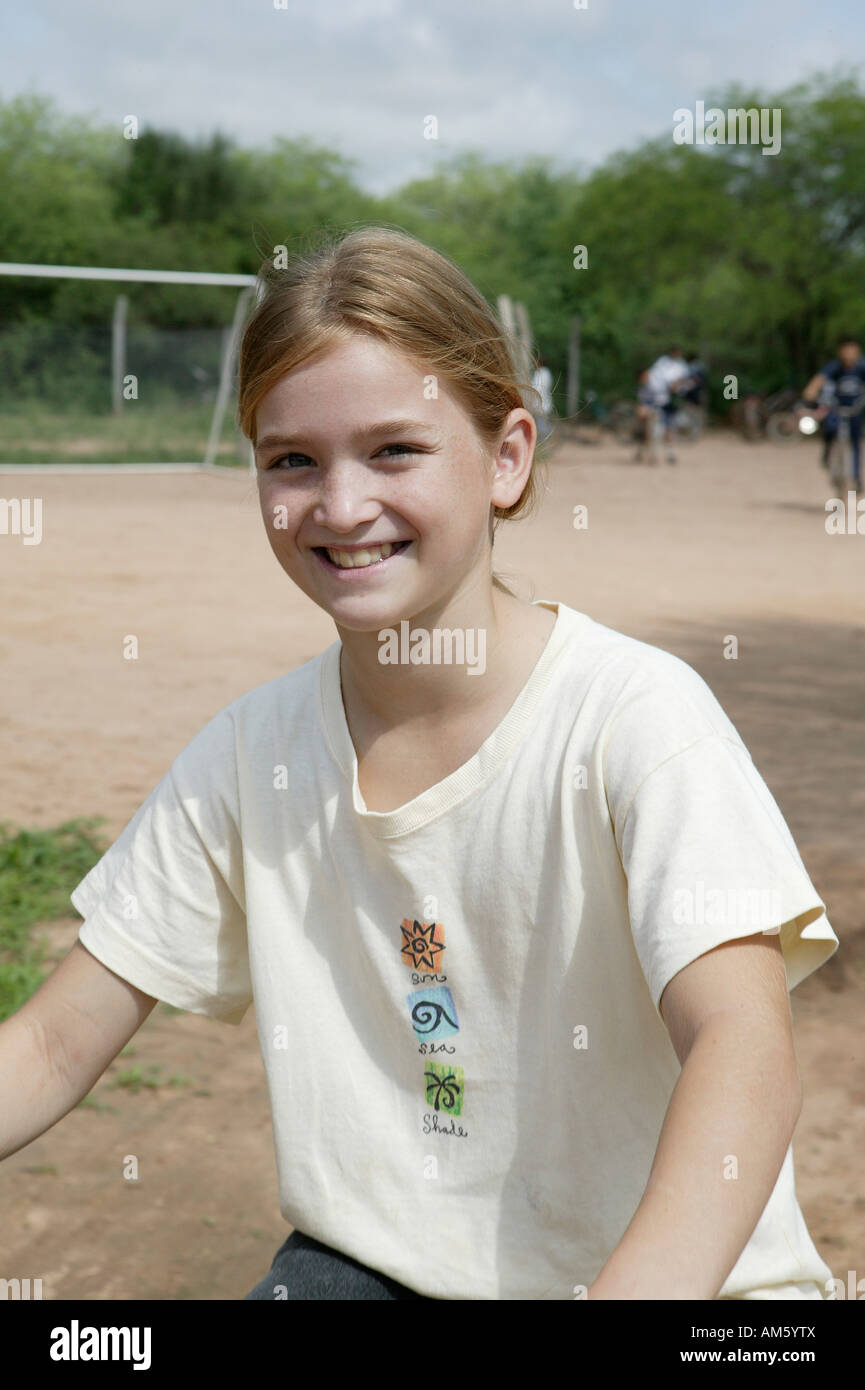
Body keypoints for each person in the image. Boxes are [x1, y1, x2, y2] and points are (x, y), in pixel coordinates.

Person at [0, 227, 839, 1301]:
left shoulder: (634, 718)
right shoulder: (252, 752)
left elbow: (743, 1050)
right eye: (291, 459)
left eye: (394, 450)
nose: (340, 506)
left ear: (506, 458)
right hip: (382, 1270)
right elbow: (55, 1044)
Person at [801, 335, 865, 489]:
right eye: (846, 350)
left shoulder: (861, 368)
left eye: (852, 350)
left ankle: (856, 477)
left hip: (855, 410)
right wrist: (811, 391)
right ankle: (827, 453)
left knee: (856, 442)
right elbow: (818, 381)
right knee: (830, 428)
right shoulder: (835, 367)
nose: (849, 354)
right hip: (836, 409)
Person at [636, 345, 692, 464]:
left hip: (665, 404)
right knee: (649, 429)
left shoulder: (678, 366)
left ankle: (668, 453)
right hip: (655, 404)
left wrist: (678, 385)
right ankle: (645, 451)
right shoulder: (661, 365)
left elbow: (675, 384)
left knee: (665, 429)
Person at [529, 354, 554, 445]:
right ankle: (543, 442)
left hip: (540, 403)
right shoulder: (546, 373)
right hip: (543, 403)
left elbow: (537, 389)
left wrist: (531, 399)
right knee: (541, 423)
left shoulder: (540, 373)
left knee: (541, 424)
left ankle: (544, 443)